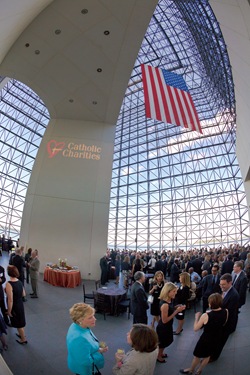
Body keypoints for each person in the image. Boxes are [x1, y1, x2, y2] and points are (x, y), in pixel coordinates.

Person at [179, 293, 228, 375]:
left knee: (197, 356)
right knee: (207, 356)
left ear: (211, 303)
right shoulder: (226, 311)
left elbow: (196, 329)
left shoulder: (206, 315)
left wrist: (196, 318)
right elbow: (224, 323)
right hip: (217, 337)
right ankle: (199, 371)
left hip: (206, 339)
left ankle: (191, 370)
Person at [66, 303, 108, 375]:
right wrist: (99, 352)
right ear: (80, 320)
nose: (95, 319)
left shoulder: (77, 325)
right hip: (85, 370)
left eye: (93, 316)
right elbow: (85, 361)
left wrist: (96, 347)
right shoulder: (79, 338)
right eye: (90, 317)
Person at [210, 273, 240, 361]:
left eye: (223, 284)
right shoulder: (225, 290)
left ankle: (214, 357)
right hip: (221, 322)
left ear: (230, 283)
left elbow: (228, 313)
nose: (221, 286)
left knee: (220, 342)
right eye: (220, 284)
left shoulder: (234, 295)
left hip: (226, 324)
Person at [156, 282, 186, 363]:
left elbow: (170, 308)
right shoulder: (165, 305)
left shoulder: (169, 300)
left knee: (165, 341)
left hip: (168, 326)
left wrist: (176, 307)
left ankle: (161, 353)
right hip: (164, 327)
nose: (176, 293)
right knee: (162, 342)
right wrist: (177, 311)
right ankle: (158, 356)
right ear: (168, 291)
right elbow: (164, 320)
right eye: (174, 291)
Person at [5, 265, 27, 344]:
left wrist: (9, 311)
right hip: (20, 304)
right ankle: (22, 335)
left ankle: (23, 339)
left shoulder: (9, 284)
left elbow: (10, 300)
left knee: (18, 323)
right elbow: (23, 294)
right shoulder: (19, 281)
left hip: (14, 305)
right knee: (20, 321)